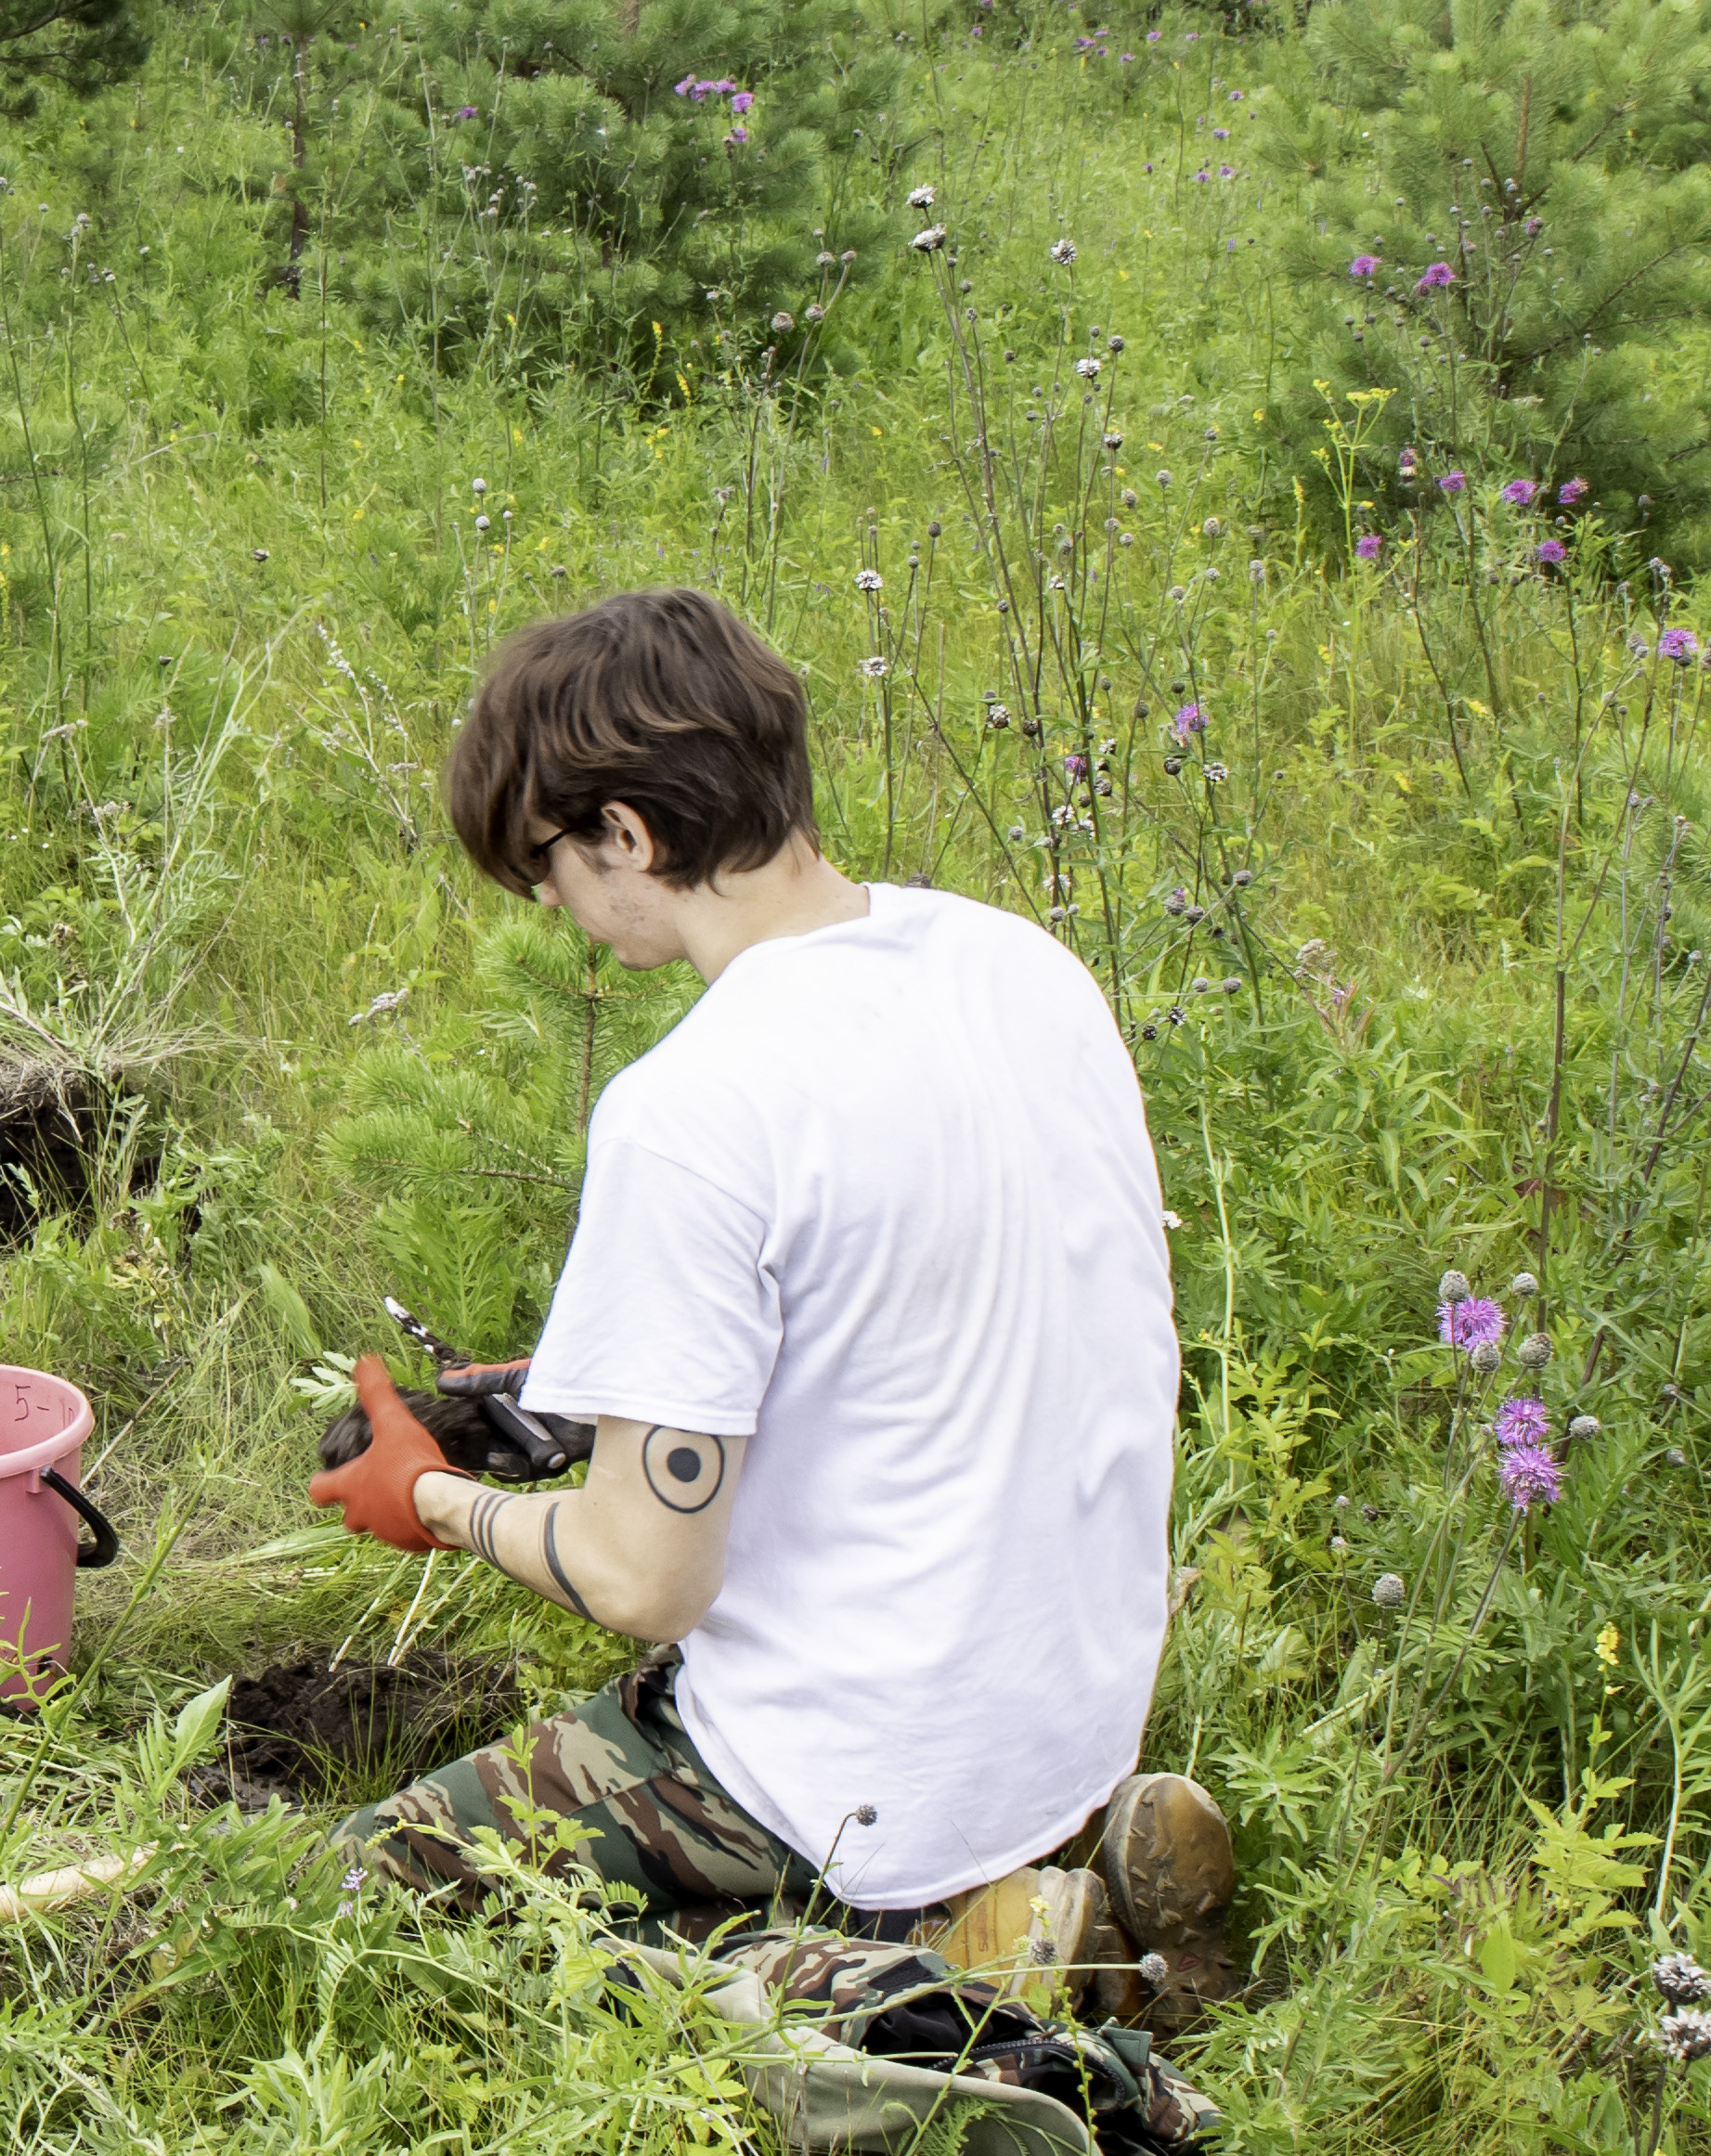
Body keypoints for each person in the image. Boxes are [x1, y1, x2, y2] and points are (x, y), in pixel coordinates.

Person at [304, 587, 1238, 1990]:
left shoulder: (694, 1106)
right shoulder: (1019, 962)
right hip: (1073, 1712)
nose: (549, 902)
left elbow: (645, 1578)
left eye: (545, 865)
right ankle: (1055, 1872)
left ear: (627, 832)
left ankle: (895, 1984)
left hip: (857, 1764)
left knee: (365, 1905)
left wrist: (433, 1502)